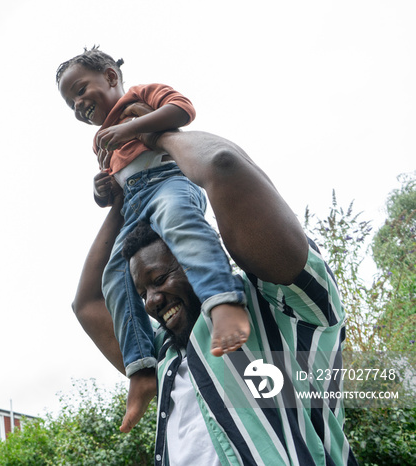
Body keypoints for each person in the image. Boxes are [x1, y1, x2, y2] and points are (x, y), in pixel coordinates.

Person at [73, 129, 358, 465]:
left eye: (160, 278)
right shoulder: (162, 355)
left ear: (198, 261)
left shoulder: (276, 312)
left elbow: (223, 164)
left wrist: (155, 136)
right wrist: (126, 193)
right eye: (142, 293)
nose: (150, 302)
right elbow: (88, 303)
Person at [58, 47, 250, 425]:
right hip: (131, 205)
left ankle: (223, 300)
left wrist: (131, 127)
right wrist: (102, 190)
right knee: (114, 275)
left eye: (80, 91)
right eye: (70, 103)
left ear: (111, 77)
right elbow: (112, 189)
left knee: (181, 225)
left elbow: (183, 110)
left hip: (168, 181)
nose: (78, 104)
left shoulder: (140, 95)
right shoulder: (99, 141)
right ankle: (142, 369)